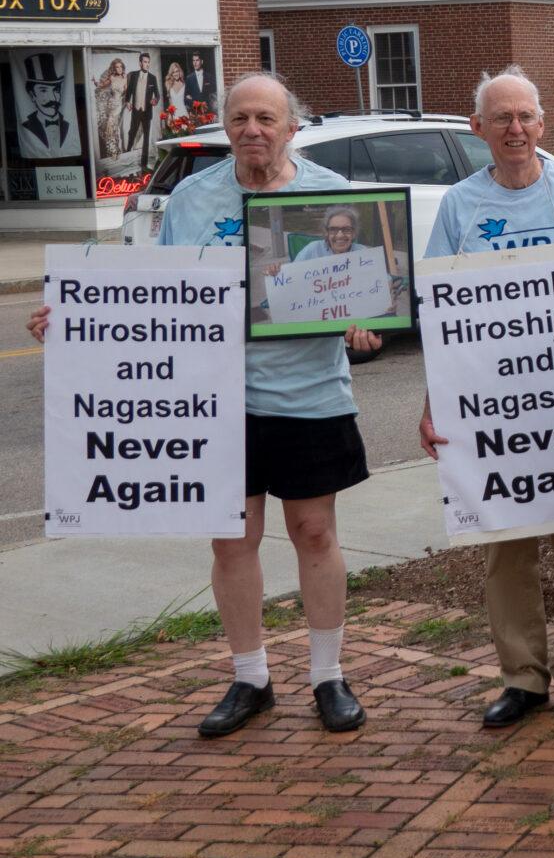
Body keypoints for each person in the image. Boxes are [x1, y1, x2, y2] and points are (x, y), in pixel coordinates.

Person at [27, 73, 383, 738]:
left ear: (291, 128)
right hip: (213, 400)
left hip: (309, 395)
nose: (252, 130)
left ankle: (329, 676)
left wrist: (363, 319)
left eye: (266, 119)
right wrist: (73, 316)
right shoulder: (192, 197)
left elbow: (362, 288)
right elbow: (154, 296)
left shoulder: (333, 195)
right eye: (240, 118)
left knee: (316, 533)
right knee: (231, 541)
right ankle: (250, 679)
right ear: (227, 125)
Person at [419, 66, 554, 730]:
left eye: (525, 117)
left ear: (542, 123)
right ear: (477, 128)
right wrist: (434, 402)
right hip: (492, 402)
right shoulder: (460, 207)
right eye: (500, 118)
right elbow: (443, 314)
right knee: (504, 539)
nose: (515, 129)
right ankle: (521, 676)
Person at [18, 51, 76, 159]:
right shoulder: (27, 126)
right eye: (44, 90)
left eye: (56, 90)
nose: (53, 98)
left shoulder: (68, 123)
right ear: (31, 95)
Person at [124, 51, 160, 171]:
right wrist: (127, 101)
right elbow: (128, 91)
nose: (147, 64)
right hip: (136, 110)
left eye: (148, 62)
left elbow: (158, 95)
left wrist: (155, 100)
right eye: (145, 62)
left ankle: (143, 164)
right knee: (131, 134)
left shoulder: (153, 78)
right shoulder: (133, 75)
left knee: (146, 139)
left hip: (146, 112)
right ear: (140, 63)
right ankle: (127, 157)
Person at [93, 57, 127, 161]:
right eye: (117, 67)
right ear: (114, 68)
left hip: (120, 105)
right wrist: (95, 82)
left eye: (120, 66)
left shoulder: (126, 77)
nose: (119, 68)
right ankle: (113, 152)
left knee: (114, 128)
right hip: (111, 105)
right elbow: (102, 85)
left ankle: (116, 151)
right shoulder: (112, 77)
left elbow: (128, 92)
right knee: (111, 128)